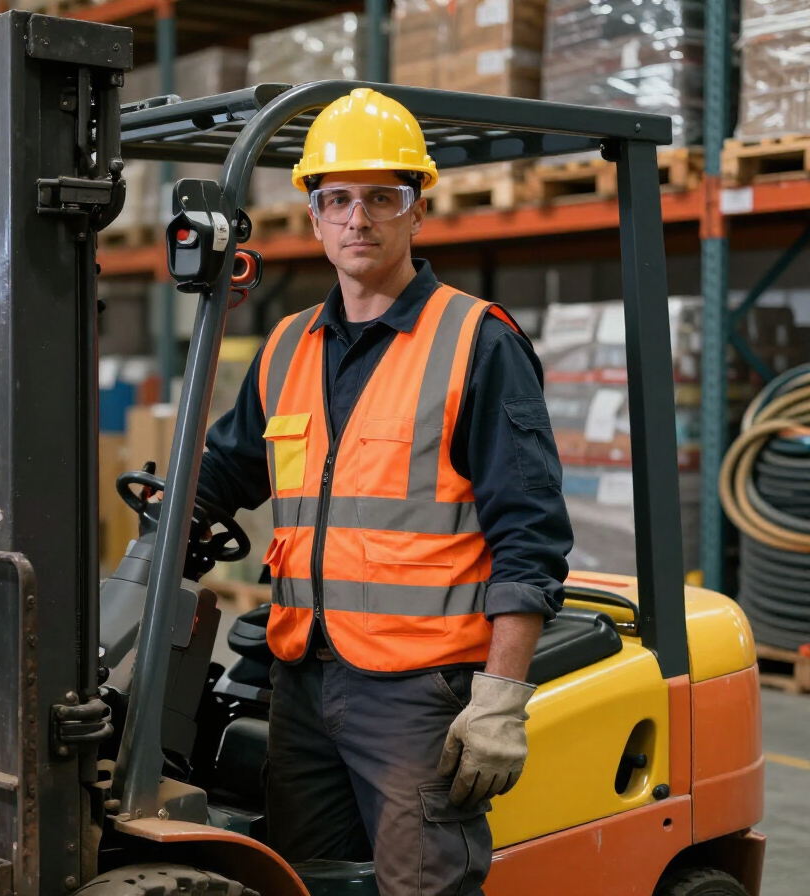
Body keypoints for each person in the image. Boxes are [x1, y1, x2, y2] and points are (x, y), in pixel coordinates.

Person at [194, 88, 574, 895]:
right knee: (300, 881)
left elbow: (530, 533)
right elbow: (224, 473)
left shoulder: (478, 341)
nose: (357, 218)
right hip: (302, 678)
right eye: (337, 199)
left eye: (381, 197)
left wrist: (501, 697)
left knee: (419, 888)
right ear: (315, 215)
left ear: (418, 211)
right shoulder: (287, 346)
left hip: (418, 694)